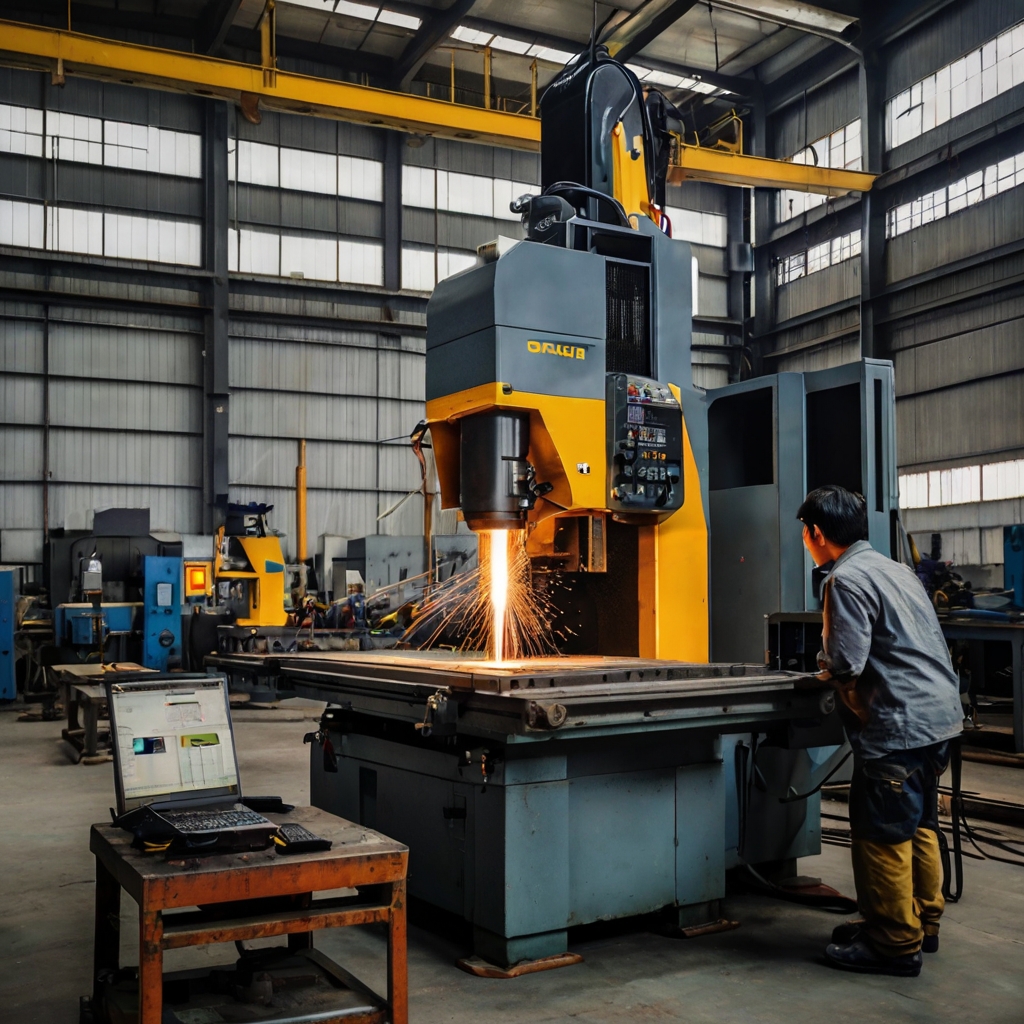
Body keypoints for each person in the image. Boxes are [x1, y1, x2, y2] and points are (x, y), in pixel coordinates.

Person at [797, 485, 962, 977]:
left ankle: (892, 942)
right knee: (919, 826)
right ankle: (921, 922)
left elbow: (847, 662)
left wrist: (818, 671)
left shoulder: (845, 580)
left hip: (899, 724)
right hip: (940, 721)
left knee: (881, 835)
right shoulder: (896, 570)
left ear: (816, 533)